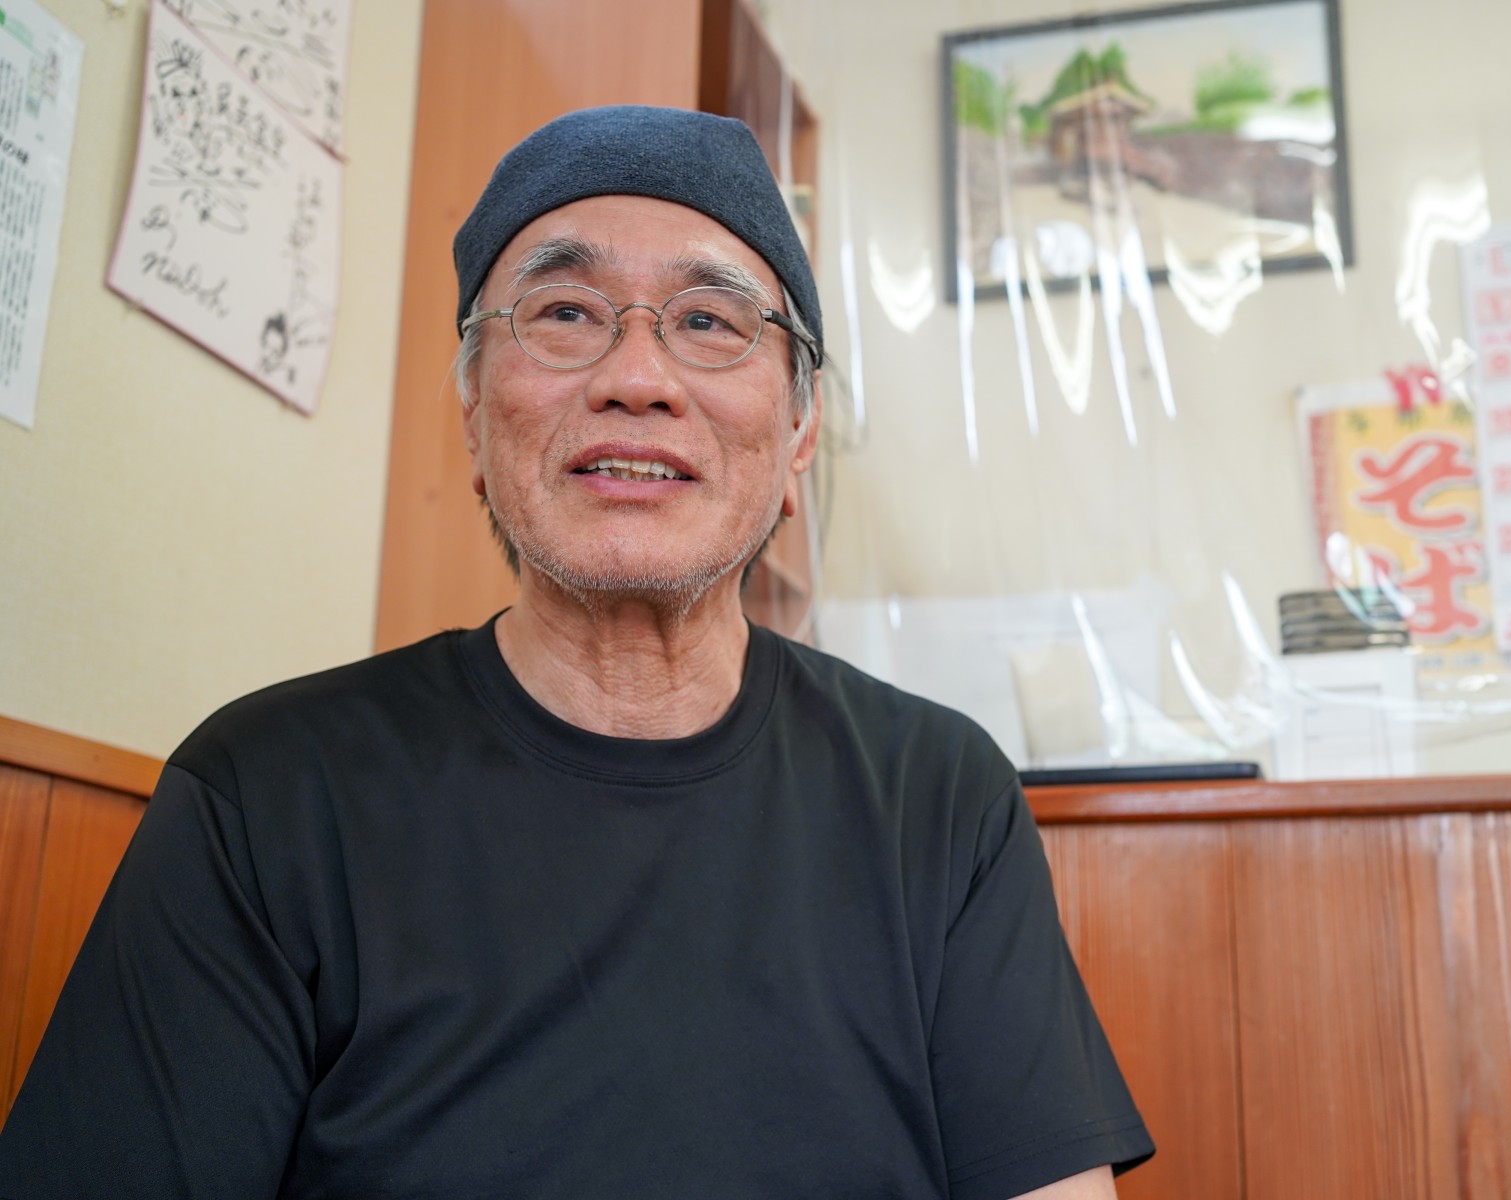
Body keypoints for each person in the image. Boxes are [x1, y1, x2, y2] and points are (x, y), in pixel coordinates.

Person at [0, 107, 1153, 1200]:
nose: (635, 379)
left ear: (799, 431)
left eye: (710, 322)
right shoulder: (266, 792)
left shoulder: (941, 798)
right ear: (473, 413)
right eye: (562, 313)